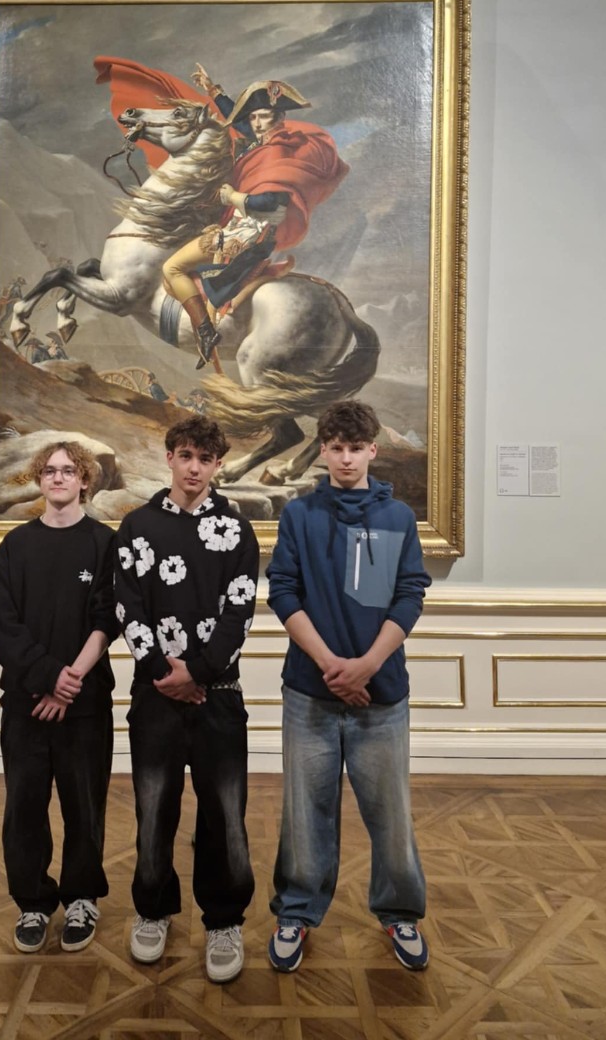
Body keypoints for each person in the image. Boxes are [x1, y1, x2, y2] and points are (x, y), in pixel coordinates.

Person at [265, 400, 432, 974]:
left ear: (372, 451)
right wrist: (333, 666)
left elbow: (408, 594)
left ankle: (400, 912)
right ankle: (296, 913)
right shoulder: (299, 515)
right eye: (335, 447)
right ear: (323, 451)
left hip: (380, 697)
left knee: (390, 814)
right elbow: (283, 591)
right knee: (305, 813)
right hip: (309, 693)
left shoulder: (398, 518)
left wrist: (366, 667)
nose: (345, 458)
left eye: (355, 448)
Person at [115, 416, 259, 984]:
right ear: (170, 458)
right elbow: (127, 606)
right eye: (185, 456)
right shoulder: (137, 526)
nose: (194, 468)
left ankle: (223, 920)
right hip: (155, 695)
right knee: (154, 809)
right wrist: (163, 672)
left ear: (218, 464)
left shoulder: (236, 530)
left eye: (205, 459)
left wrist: (196, 671)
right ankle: (153, 910)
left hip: (217, 695)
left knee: (225, 813)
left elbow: (239, 611)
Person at [0, 439, 118, 956]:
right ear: (40, 480)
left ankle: (82, 898)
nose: (58, 478)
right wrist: (47, 678)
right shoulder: (16, 546)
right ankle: (33, 903)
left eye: (68, 470)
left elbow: (107, 620)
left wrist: (69, 683)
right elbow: (5, 627)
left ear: (85, 480)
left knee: (84, 807)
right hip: (25, 703)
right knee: (24, 808)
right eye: (49, 471)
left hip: (85, 703)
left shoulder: (104, 543)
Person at [160, 66, 349, 369]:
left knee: (172, 267)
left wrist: (233, 197)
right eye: (254, 117)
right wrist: (213, 90)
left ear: (279, 117)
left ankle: (206, 332)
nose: (257, 123)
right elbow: (239, 123)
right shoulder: (268, 142)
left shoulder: (277, 152)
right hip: (244, 228)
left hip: (247, 235)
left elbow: (272, 202)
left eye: (263, 117)